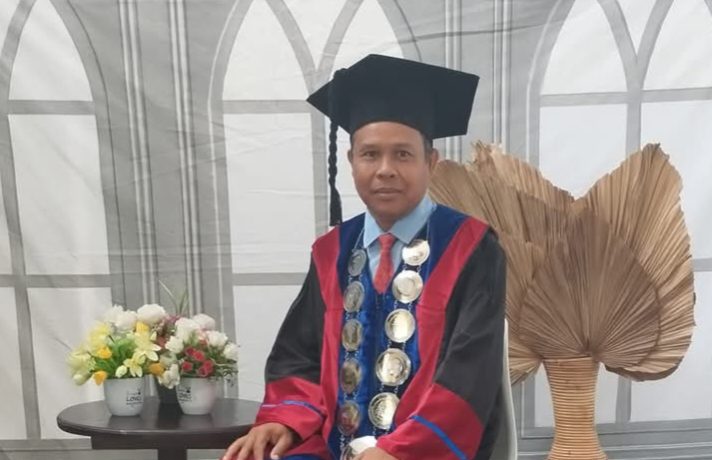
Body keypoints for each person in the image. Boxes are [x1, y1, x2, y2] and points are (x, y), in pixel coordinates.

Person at [222, 54, 506, 460]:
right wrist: (283, 419)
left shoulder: (471, 247)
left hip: (425, 449)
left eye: (403, 154)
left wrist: (398, 451)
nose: (385, 169)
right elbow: (299, 356)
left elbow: (471, 373)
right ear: (352, 161)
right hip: (335, 446)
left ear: (432, 162)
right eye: (370, 154)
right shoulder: (331, 252)